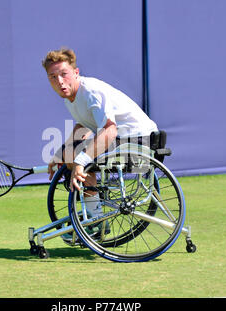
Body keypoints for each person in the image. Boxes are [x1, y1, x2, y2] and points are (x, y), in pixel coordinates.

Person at [43, 48, 158, 221]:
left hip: (140, 141)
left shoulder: (90, 91)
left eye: (64, 74)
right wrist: (61, 153)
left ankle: (95, 219)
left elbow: (110, 129)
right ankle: (92, 214)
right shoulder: (70, 98)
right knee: (71, 154)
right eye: (53, 77)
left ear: (76, 73)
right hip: (124, 141)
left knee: (79, 157)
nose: (59, 81)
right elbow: (84, 125)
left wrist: (80, 161)